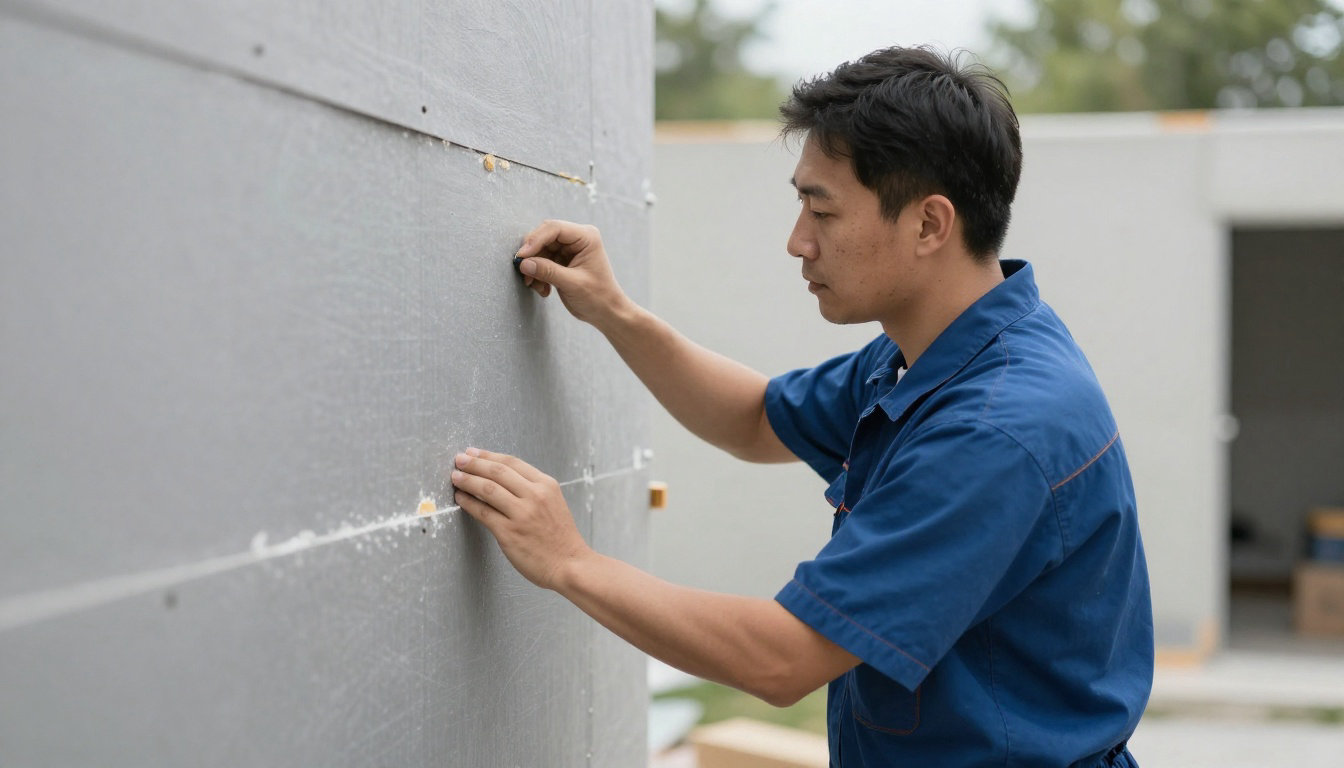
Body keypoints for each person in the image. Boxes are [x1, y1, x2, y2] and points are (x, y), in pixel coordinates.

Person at [449, 46, 1153, 767]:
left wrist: (567, 561)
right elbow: (755, 418)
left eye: (823, 210)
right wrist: (613, 312)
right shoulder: (932, 354)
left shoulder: (994, 430)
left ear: (929, 225)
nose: (798, 242)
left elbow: (781, 659)